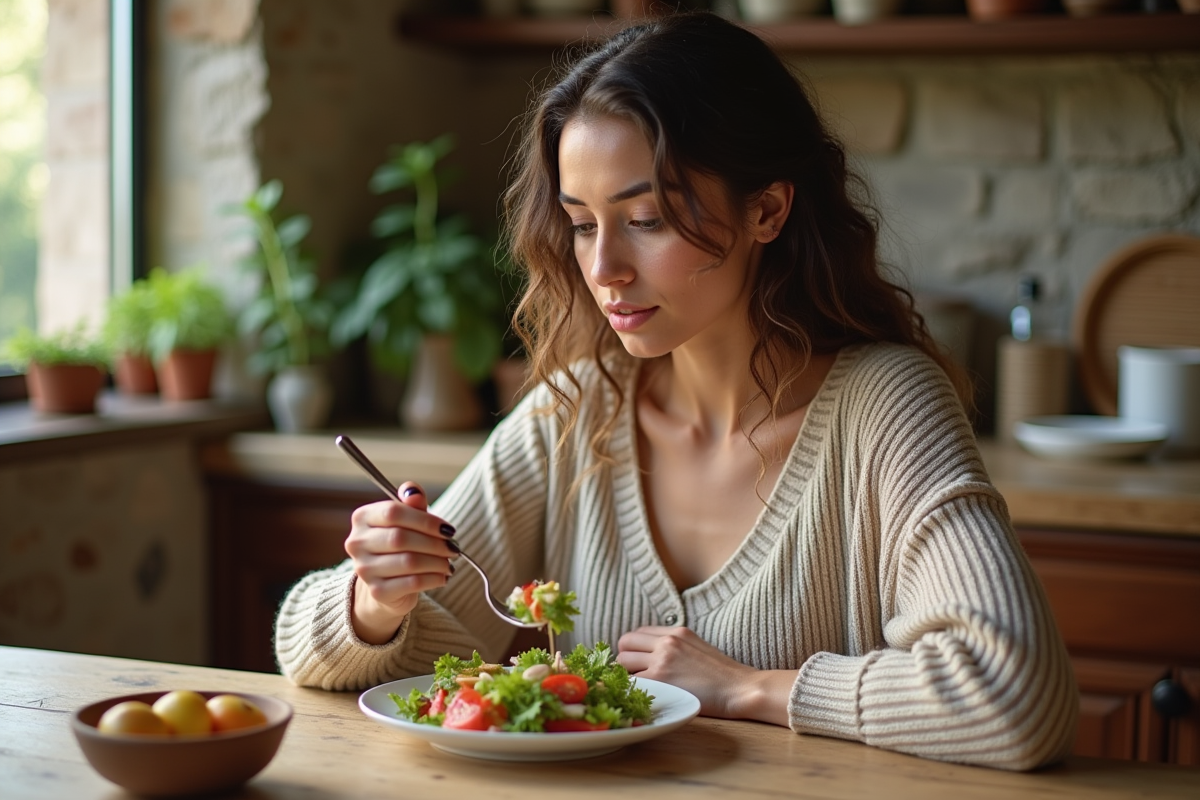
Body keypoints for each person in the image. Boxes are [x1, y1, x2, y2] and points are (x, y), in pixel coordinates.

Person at [275, 11, 1077, 770]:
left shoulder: (886, 406)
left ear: (767, 210)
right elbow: (325, 651)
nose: (603, 269)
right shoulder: (575, 411)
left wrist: (749, 688)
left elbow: (1016, 695)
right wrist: (375, 602)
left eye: (647, 219)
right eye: (582, 223)